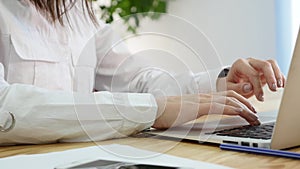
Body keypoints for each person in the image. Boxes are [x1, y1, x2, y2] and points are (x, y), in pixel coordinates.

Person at [0, 0, 285, 145]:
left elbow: (138, 81)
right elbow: (5, 106)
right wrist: (152, 110)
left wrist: (219, 82)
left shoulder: (78, 13)